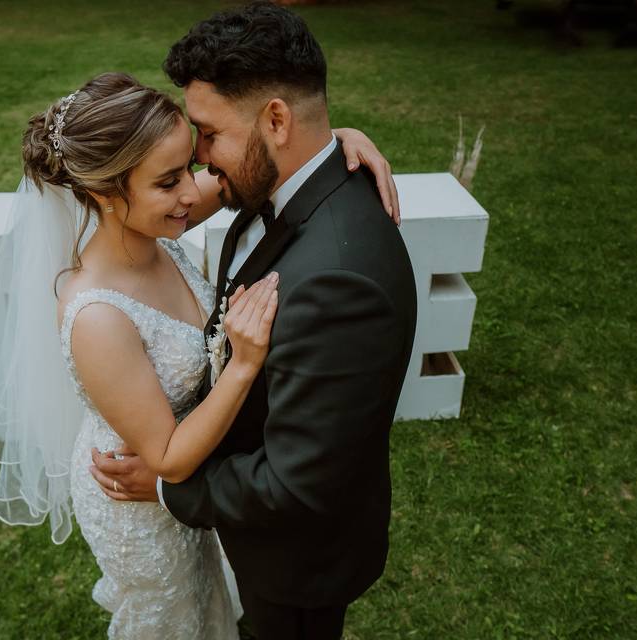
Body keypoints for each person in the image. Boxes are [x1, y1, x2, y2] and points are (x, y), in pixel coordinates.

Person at [0, 69, 398, 639]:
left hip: (191, 478)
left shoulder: (151, 219)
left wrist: (334, 139)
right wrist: (244, 363)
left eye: (188, 169)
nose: (193, 189)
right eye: (171, 179)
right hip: (139, 499)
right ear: (104, 193)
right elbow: (169, 458)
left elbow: (257, 172)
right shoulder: (97, 316)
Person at [89, 4, 418, 639]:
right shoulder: (277, 181)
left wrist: (164, 488)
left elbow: (295, 486)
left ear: (275, 119)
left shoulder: (337, 281)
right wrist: (338, 134)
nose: (199, 157)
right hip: (241, 525)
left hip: (294, 566)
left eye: (209, 133)